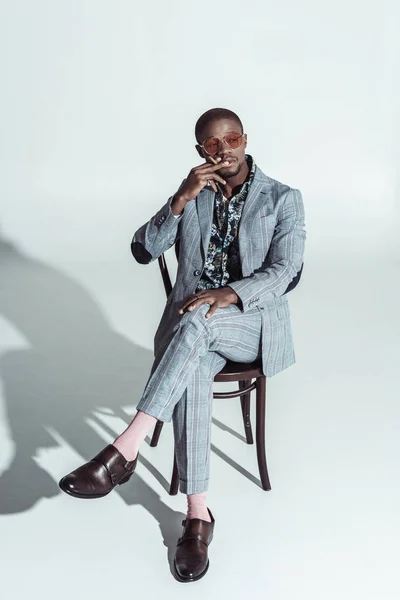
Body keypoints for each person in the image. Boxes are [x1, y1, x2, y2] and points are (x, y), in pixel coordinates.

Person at [59, 107, 306, 582]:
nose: (224, 150)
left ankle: (124, 451)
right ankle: (197, 518)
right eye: (212, 145)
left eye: (231, 139)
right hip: (195, 332)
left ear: (246, 139)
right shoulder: (193, 194)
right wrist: (179, 198)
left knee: (199, 323)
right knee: (194, 346)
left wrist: (229, 294)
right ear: (201, 152)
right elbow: (142, 249)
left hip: (251, 325)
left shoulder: (283, 198)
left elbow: (286, 272)